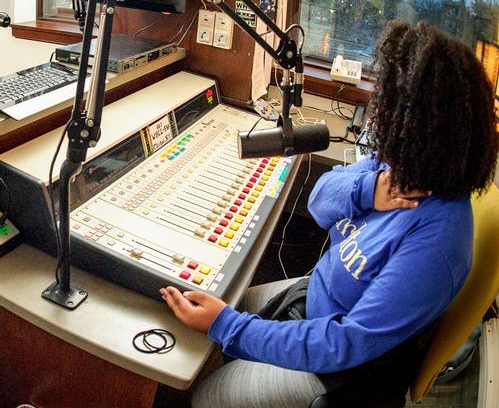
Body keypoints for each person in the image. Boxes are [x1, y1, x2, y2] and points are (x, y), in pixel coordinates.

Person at [161, 21, 499, 407]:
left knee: (205, 396)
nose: (377, 113)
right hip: (314, 296)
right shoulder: (396, 166)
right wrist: (369, 191)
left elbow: (344, 344)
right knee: (218, 305)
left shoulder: (438, 244)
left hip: (336, 367)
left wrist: (229, 326)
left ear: (423, 126)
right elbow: (319, 203)